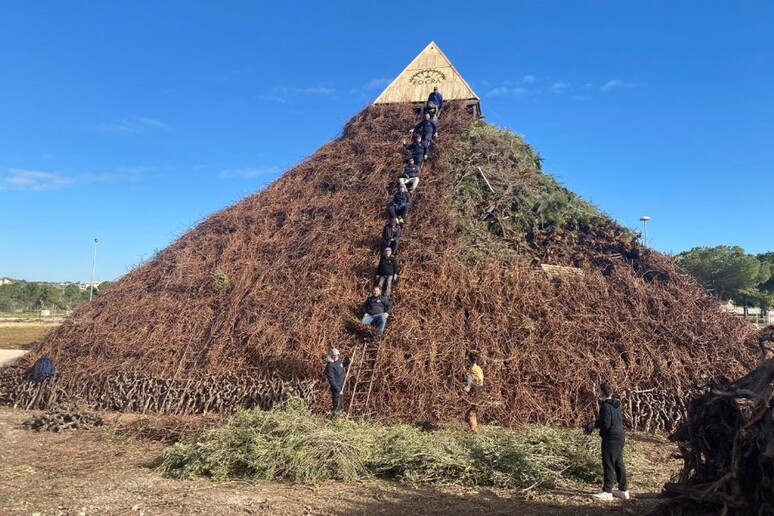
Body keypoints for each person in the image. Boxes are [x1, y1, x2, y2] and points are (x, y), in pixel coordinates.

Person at [584, 381, 630, 501]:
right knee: (619, 463)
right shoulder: (617, 404)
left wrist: (593, 424)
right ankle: (623, 490)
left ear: (602, 392)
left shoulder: (605, 406)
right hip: (620, 436)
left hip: (611, 438)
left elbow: (605, 423)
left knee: (608, 463)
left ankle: (607, 491)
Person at [325, 348, 349, 416]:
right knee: (337, 406)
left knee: (341, 405)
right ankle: (334, 420)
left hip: (342, 386)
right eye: (334, 356)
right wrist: (338, 390)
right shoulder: (330, 366)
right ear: (331, 356)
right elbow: (331, 380)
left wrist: (348, 360)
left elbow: (343, 364)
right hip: (336, 389)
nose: (336, 357)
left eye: (337, 355)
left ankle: (340, 419)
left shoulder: (339, 362)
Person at [464, 353, 484, 432]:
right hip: (478, 389)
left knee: (472, 411)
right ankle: (473, 428)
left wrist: (469, 387)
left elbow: (476, 380)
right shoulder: (478, 368)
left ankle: (474, 430)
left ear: (469, 360)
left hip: (476, 390)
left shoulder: (473, 369)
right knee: (472, 410)